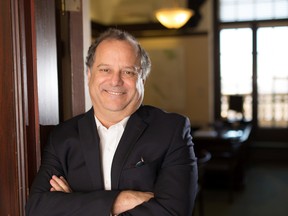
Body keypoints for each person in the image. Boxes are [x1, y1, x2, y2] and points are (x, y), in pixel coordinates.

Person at [26, 28, 198, 216]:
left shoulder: (171, 130)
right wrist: (121, 200)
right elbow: (37, 208)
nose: (115, 81)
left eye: (128, 72)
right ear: (89, 74)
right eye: (105, 69)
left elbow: (174, 212)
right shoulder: (62, 137)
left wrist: (74, 203)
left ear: (143, 79)